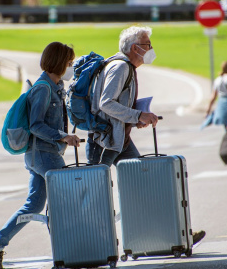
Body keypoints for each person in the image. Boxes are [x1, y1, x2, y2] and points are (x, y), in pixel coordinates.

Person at [86, 25, 206, 245]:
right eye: (147, 45)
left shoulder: (126, 67)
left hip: (118, 139)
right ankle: (96, 244)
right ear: (135, 48)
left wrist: (135, 118)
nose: (151, 49)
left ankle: (176, 234)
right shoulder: (120, 68)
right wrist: (138, 114)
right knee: (95, 196)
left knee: (144, 183)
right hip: (104, 141)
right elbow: (105, 103)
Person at [0, 42, 81, 269]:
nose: (69, 66)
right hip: (45, 155)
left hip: (38, 156)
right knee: (65, 201)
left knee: (34, 205)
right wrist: (63, 136)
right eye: (68, 62)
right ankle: (65, 254)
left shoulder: (54, 85)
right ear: (58, 62)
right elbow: (35, 125)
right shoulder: (43, 88)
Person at [201, 61, 227, 130]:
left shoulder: (218, 80)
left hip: (221, 104)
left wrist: (208, 110)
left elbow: (213, 97)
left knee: (226, 125)